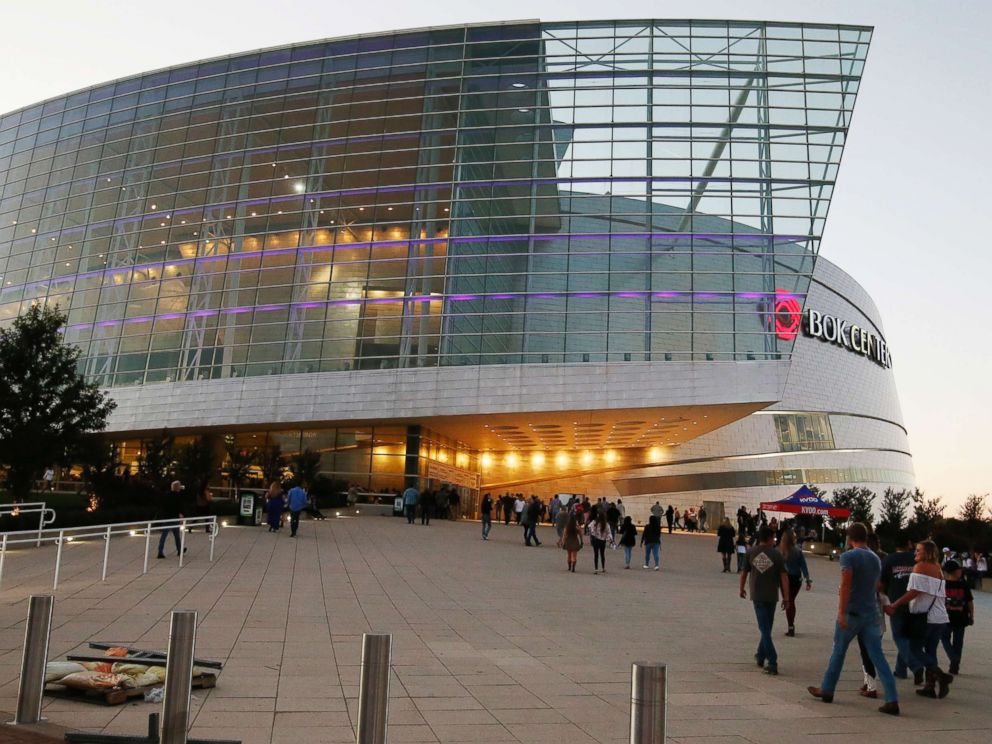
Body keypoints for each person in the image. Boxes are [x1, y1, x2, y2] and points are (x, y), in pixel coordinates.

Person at [808, 523, 899, 715]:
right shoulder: (875, 558)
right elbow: (876, 585)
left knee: (839, 651)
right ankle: (892, 698)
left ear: (850, 538)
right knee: (878, 656)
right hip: (871, 613)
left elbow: (846, 583)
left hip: (853, 612)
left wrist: (841, 611)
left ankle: (828, 689)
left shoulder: (848, 556)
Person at [884, 539, 953, 699]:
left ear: (927, 552)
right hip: (940, 617)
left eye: (918, 550)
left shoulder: (920, 567)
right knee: (930, 650)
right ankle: (931, 686)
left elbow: (914, 591)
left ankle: (940, 675)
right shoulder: (938, 568)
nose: (915, 553)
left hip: (926, 617)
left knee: (914, 649)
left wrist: (895, 604)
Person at [739, 525, 789, 676]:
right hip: (772, 596)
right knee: (766, 628)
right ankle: (763, 656)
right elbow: (784, 577)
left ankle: (770, 660)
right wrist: (786, 598)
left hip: (757, 595)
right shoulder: (776, 554)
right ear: (769, 538)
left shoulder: (750, 552)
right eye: (773, 537)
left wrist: (741, 588)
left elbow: (744, 572)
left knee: (765, 629)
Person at [879, 532, 924, 684]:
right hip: (915, 602)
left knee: (899, 637)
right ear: (909, 543)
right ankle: (900, 669)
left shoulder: (889, 559)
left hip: (896, 602)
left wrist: (884, 600)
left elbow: (882, 583)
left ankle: (915, 665)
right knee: (907, 638)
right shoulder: (916, 559)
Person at [939, 560, 974, 676]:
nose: (961, 571)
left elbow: (969, 601)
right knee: (956, 641)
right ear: (954, 571)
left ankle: (953, 660)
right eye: (959, 569)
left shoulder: (943, 584)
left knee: (945, 638)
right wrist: (971, 615)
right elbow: (969, 602)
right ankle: (955, 662)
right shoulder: (963, 584)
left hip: (949, 617)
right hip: (957, 617)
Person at [779, 528, 812, 636]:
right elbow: (803, 565)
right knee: (791, 601)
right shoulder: (797, 551)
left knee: (788, 600)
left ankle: (790, 625)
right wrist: (807, 579)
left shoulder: (780, 551)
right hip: (796, 578)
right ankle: (791, 625)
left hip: (785, 578)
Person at [157, 480, 186, 559]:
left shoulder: (166, 495)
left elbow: (162, 505)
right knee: (176, 535)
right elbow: (179, 507)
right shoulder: (178, 496)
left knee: (164, 535)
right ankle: (179, 550)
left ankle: (160, 551)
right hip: (174, 517)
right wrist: (181, 515)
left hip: (166, 517)